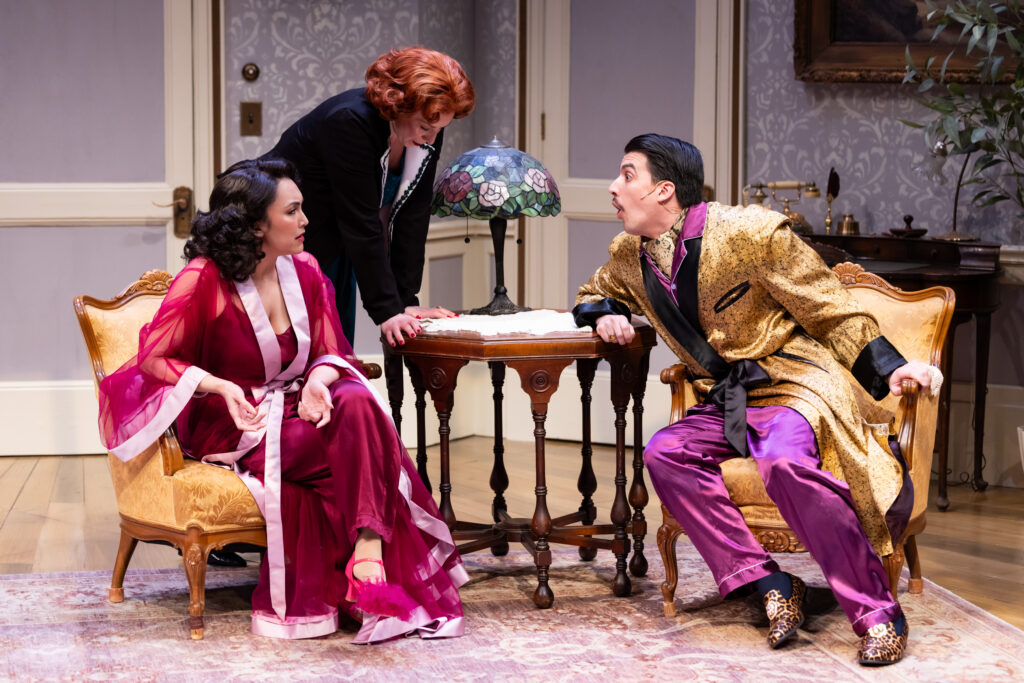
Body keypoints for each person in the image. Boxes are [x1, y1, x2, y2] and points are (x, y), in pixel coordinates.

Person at [573, 134, 937, 666]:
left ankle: (879, 613)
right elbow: (592, 291)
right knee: (665, 453)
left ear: (664, 191)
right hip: (726, 396)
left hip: (793, 382)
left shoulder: (751, 232)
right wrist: (604, 312)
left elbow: (829, 308)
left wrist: (893, 367)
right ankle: (769, 582)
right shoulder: (629, 255)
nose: (612, 187)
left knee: (784, 464)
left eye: (627, 175)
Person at [97, 159, 467, 643]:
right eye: (292, 211)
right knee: (364, 453)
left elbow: (335, 350)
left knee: (354, 398)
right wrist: (220, 386)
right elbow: (154, 359)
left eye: (303, 209)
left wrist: (318, 379)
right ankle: (369, 586)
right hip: (234, 418)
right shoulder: (203, 279)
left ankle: (368, 548)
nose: (305, 221)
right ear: (255, 226)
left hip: (295, 402)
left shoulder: (307, 270)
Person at [263, 46, 475, 348]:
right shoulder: (349, 122)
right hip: (287, 249)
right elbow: (360, 221)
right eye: (426, 127)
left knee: (333, 356)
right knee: (300, 352)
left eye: (440, 129)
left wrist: (404, 301)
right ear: (398, 104)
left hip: (340, 245)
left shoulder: (423, 131)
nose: (431, 139)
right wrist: (387, 311)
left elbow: (414, 214)